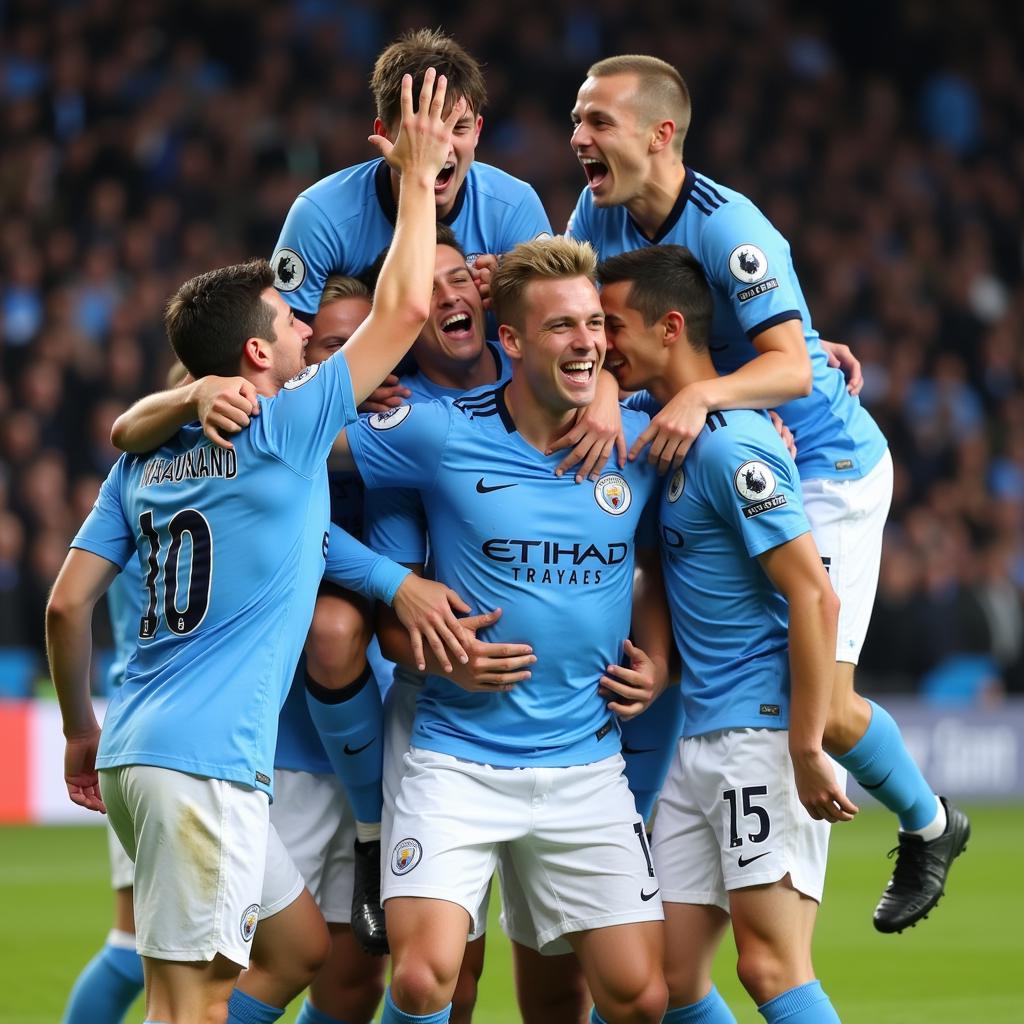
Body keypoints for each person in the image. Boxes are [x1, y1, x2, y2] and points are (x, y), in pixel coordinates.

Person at [46, 71, 472, 1024]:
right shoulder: (282, 426)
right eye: (289, 324)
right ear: (253, 356)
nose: (303, 329)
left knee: (296, 945)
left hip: (135, 748)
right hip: (204, 767)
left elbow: (65, 605)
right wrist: (416, 178)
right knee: (185, 1008)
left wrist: (79, 727)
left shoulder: (146, 459)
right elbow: (399, 313)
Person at [566, 54, 969, 932]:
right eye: (577, 119)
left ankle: (931, 823)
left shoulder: (729, 226)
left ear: (660, 135)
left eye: (598, 122)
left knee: (815, 694)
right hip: (725, 451)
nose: (578, 139)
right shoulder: (593, 216)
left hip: (822, 466)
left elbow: (791, 367)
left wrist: (703, 393)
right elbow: (594, 341)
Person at [332, 236, 671, 1024]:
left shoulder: (641, 437)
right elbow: (281, 467)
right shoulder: (438, 431)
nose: (586, 341)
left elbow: (657, 556)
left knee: (640, 997)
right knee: (423, 980)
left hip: (585, 762)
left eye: (594, 324)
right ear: (510, 341)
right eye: (561, 327)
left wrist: (656, 658)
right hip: (456, 759)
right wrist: (395, 584)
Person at [599, 243, 855, 1024]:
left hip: (762, 736)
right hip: (700, 739)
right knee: (668, 978)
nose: (603, 345)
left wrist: (808, 746)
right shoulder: (676, 435)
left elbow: (815, 597)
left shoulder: (736, 446)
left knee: (771, 965)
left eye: (614, 327)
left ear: (670, 327)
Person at [270, 27, 551, 321]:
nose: (440, 147)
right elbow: (282, 348)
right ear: (384, 135)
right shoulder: (320, 217)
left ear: (478, 131)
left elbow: (557, 330)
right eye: (421, 129)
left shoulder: (515, 206)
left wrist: (512, 300)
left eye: (458, 128)